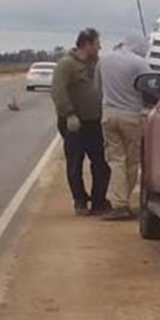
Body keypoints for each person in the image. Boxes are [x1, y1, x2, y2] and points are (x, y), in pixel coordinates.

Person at [51, 28, 112, 216]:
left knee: (101, 164)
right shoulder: (66, 64)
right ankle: (80, 200)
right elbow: (58, 91)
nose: (100, 47)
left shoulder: (97, 64)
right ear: (86, 44)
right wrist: (69, 113)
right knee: (75, 162)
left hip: (94, 121)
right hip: (74, 122)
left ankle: (99, 200)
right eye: (97, 43)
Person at [98, 35, 152, 221]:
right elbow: (150, 88)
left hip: (108, 115)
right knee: (131, 162)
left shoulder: (105, 59)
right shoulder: (139, 63)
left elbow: (98, 87)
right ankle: (122, 203)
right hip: (132, 117)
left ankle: (118, 202)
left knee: (116, 160)